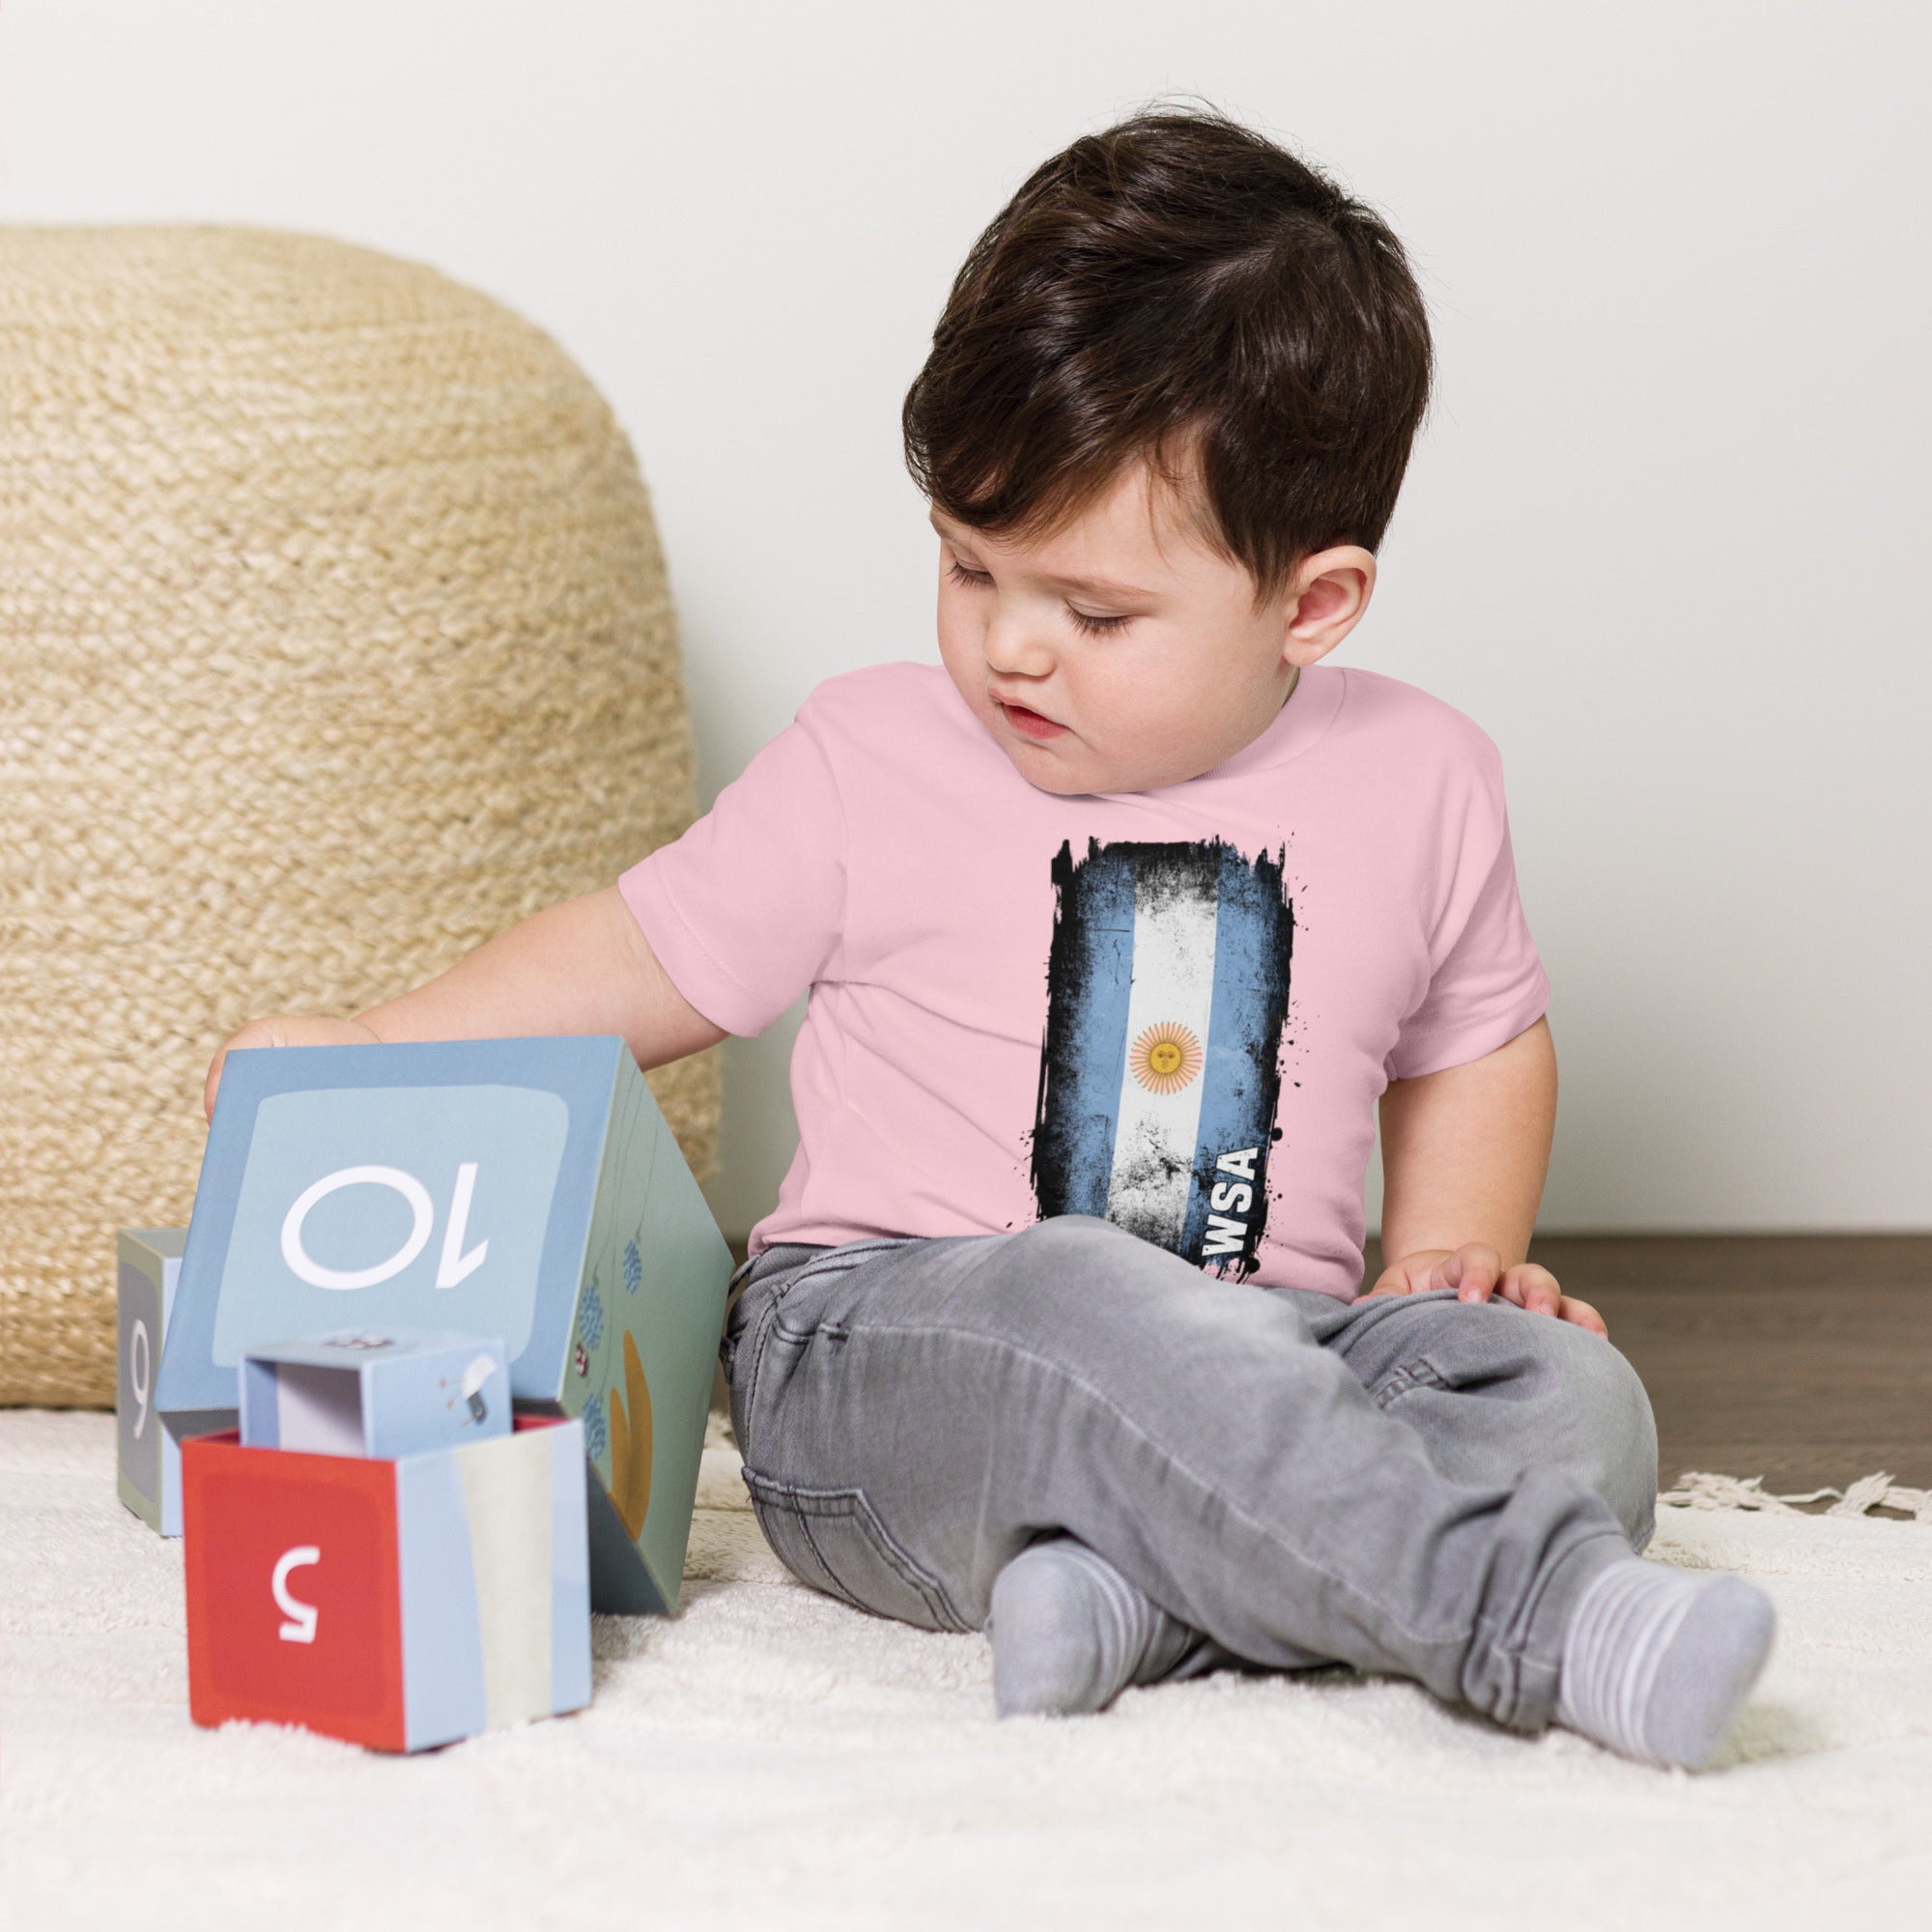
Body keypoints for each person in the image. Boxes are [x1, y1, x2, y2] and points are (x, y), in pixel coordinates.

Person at [208, 109, 1774, 1768]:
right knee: (1080, 1295)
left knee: (1572, 1401)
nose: (1011, 647)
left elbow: (1477, 1034)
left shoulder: (1425, 775)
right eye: (968, 566)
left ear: (1311, 605)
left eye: (1094, 613)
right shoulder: (867, 758)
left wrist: (1443, 1260)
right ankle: (1520, 1617)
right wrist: (375, 1052)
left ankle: (1141, 1606)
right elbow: (638, 954)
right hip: (889, 1349)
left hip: (1281, 1347)